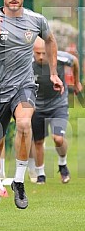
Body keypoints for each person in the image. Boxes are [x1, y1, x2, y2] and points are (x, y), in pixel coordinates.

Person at [0, 0, 64, 228]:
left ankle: (19, 181)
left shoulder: (36, 20)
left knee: (24, 124)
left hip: (23, 87)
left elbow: (51, 40)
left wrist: (53, 73)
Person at [31, 36, 82, 184]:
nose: (40, 57)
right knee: (38, 141)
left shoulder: (60, 58)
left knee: (58, 138)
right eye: (37, 53)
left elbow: (75, 62)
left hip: (58, 104)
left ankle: (63, 164)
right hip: (37, 106)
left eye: (44, 53)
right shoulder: (27, 62)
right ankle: (41, 174)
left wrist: (77, 82)